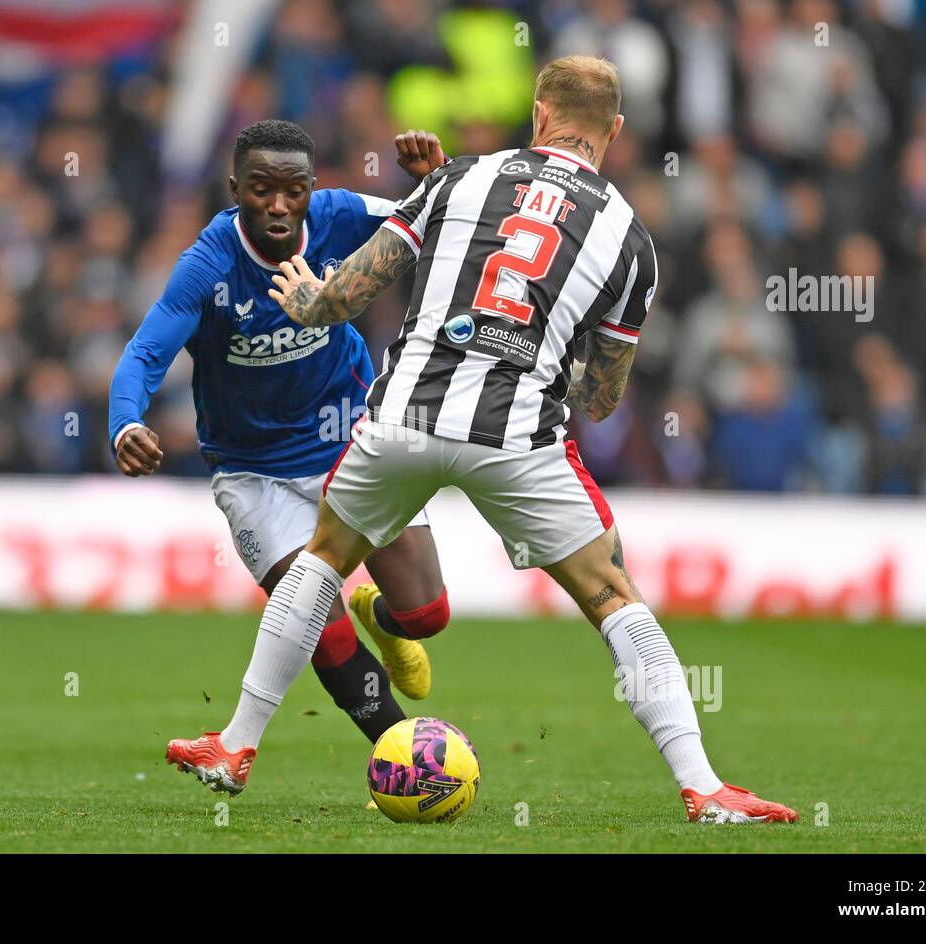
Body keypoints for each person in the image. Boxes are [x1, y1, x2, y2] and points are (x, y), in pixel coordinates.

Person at [167, 59, 797, 824]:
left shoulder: (460, 178)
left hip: (403, 415)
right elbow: (602, 398)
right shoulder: (630, 239)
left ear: (539, 113)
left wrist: (307, 298)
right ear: (616, 132)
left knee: (325, 559)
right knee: (610, 595)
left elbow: (347, 294)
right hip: (518, 434)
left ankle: (236, 745)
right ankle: (704, 788)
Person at [109, 121, 453, 756]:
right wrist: (127, 420)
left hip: (352, 439)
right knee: (319, 624)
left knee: (426, 615)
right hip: (255, 469)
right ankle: (408, 756)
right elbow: (143, 354)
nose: (277, 204)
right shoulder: (207, 267)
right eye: (261, 188)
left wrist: (435, 174)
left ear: (311, 189)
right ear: (235, 186)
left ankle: (381, 615)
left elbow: (440, 215)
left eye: (293, 189)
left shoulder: (342, 216)